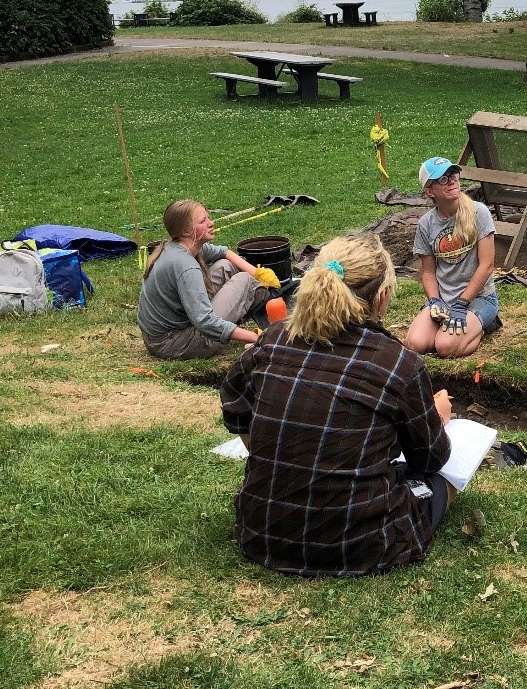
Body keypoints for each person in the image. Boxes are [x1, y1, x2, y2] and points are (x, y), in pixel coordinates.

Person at [222, 234, 456, 578]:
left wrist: (277, 450)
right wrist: (437, 418)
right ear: (381, 297)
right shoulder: (397, 363)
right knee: (442, 484)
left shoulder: (272, 340)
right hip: (360, 546)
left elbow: (233, 402)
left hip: (261, 533)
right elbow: (430, 458)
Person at [137, 199, 274, 360]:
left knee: (225, 266)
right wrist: (256, 338)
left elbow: (223, 252)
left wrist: (257, 272)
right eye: (203, 221)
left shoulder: (178, 246)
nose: (211, 223)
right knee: (245, 281)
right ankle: (272, 331)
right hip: (175, 344)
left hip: (161, 336)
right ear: (186, 231)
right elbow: (204, 322)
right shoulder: (186, 266)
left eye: (208, 217)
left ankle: (268, 319)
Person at [405, 156, 500, 358]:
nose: (451, 181)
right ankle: (461, 327)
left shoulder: (478, 212)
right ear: (430, 191)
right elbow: (429, 272)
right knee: (415, 344)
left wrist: (463, 303)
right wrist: (434, 300)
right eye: (442, 179)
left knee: (445, 347)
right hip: (444, 300)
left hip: (479, 299)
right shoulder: (426, 224)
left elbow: (487, 266)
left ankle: (485, 326)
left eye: (453, 175)